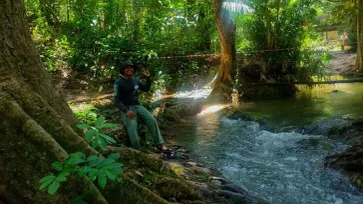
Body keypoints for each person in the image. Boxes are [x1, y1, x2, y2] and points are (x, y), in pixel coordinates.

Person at [114, 60, 168, 151]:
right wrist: (126, 111)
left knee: (152, 120)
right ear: (123, 70)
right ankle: (137, 151)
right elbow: (116, 100)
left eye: (131, 68)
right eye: (127, 68)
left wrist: (148, 78)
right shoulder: (118, 82)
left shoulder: (136, 80)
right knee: (132, 128)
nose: (129, 69)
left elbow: (146, 89)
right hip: (127, 108)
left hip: (138, 106)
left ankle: (159, 144)